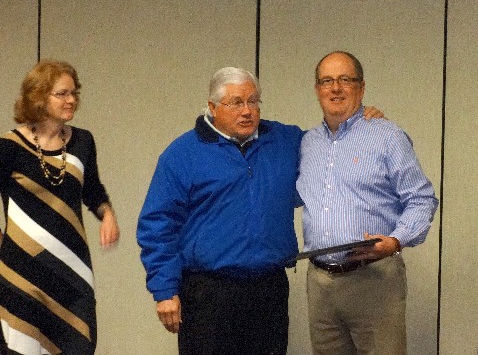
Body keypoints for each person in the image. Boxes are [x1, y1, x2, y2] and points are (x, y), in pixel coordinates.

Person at [136, 66, 383, 355]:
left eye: (253, 101)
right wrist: (165, 290)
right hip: (207, 293)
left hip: (268, 289)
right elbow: (157, 225)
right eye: (236, 102)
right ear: (213, 107)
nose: (247, 111)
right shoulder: (183, 153)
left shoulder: (284, 140)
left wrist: (360, 120)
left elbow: (332, 145)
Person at [296, 51, 439, 355]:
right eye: (327, 81)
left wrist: (397, 240)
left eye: (345, 80)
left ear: (361, 88)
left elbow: (421, 198)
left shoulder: (387, 136)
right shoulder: (307, 143)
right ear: (317, 89)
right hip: (320, 283)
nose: (335, 88)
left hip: (373, 279)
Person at [0, 59, 120, 355]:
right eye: (63, 94)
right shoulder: (9, 146)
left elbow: (93, 191)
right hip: (21, 273)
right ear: (39, 97)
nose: (72, 100)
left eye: (74, 93)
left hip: (72, 271)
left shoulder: (82, 142)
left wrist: (108, 215)